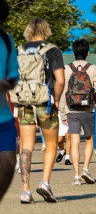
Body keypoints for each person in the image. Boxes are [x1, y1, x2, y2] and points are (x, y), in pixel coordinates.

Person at [15, 18, 65, 203]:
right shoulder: (52, 50)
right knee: (51, 144)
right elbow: (60, 80)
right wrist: (57, 98)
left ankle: (25, 190)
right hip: (45, 102)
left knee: (26, 146)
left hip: (25, 102)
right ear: (46, 30)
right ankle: (44, 183)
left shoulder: (19, 50)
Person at [59, 38, 96, 186]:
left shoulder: (66, 69)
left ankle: (76, 176)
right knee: (89, 139)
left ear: (73, 52)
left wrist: (63, 113)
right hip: (88, 109)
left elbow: (63, 92)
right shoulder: (93, 68)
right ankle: (86, 169)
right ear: (88, 52)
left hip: (71, 110)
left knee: (74, 142)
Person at [0, 0, 19, 202]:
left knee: (8, 163)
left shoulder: (6, 40)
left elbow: (13, 70)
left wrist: (10, 81)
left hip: (3, 117)